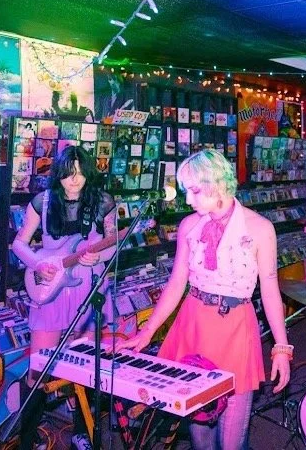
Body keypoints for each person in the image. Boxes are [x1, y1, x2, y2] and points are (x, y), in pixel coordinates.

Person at [116, 149, 291, 450]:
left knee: (232, 440)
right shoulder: (189, 225)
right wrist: (147, 332)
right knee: (200, 436)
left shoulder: (261, 229)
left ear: (217, 184)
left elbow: (271, 289)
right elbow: (176, 284)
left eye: (194, 191)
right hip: (193, 325)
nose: (188, 200)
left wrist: (281, 348)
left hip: (235, 329)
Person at [12, 145, 117, 450]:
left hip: (88, 287)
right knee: (38, 367)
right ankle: (27, 438)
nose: (74, 180)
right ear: (58, 173)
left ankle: (82, 433)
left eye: (81, 174)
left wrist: (99, 257)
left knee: (85, 366)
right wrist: (37, 264)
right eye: (69, 174)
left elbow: (113, 243)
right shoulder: (42, 202)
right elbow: (19, 243)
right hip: (51, 289)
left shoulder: (103, 201)